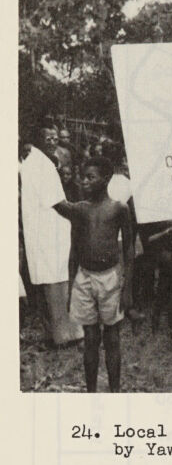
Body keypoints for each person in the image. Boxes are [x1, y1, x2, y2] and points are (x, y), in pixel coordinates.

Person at [53, 157, 134, 391]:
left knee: (112, 338)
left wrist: (127, 287)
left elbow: (128, 247)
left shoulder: (119, 208)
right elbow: (73, 250)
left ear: (106, 179)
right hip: (84, 278)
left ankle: (115, 391)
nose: (84, 181)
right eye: (83, 176)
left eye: (91, 177)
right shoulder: (80, 210)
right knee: (90, 339)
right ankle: (91, 393)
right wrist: (71, 286)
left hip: (110, 278)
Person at [18, 123, 84, 346]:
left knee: (53, 283)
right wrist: (83, 212)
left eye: (55, 138)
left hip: (48, 231)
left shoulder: (41, 162)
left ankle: (58, 333)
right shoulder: (39, 165)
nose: (53, 141)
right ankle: (62, 336)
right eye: (48, 137)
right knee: (54, 284)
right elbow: (58, 203)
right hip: (47, 232)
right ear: (38, 139)